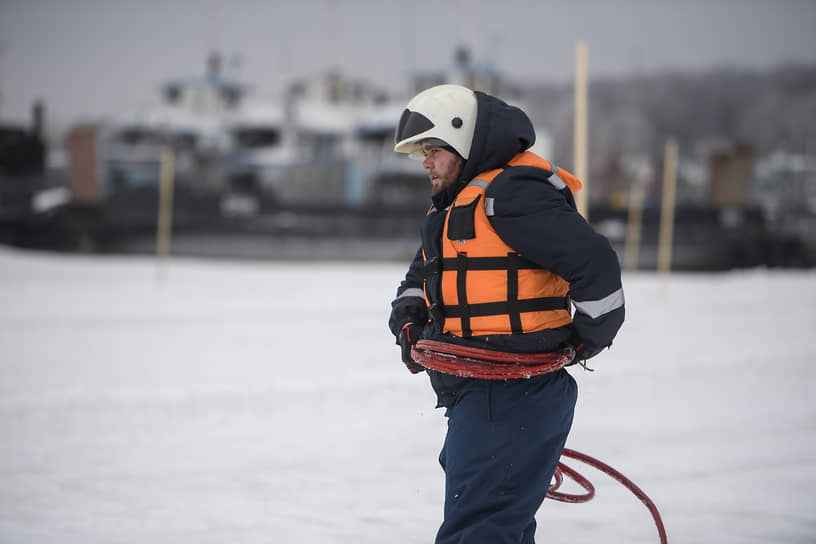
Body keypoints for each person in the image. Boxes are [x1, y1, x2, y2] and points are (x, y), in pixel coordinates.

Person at [388, 84, 625, 544]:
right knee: (499, 527)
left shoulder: (511, 196)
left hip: (513, 392)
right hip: (481, 394)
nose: (426, 163)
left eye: (433, 151)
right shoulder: (458, 205)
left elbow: (594, 264)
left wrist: (582, 340)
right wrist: (409, 319)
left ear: (463, 143)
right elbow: (424, 271)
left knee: (479, 530)